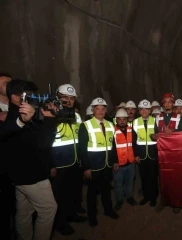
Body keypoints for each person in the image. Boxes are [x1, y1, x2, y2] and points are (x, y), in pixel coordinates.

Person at [2, 79, 58, 240]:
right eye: (29, 95)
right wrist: (49, 119)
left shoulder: (15, 116)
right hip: (32, 176)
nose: (34, 99)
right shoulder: (20, 118)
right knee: (48, 209)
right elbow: (42, 144)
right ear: (15, 97)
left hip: (18, 177)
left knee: (24, 212)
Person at [51, 84, 87, 235]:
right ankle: (60, 223)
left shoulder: (77, 116)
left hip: (74, 161)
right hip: (58, 163)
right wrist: (51, 165)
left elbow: (79, 139)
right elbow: (46, 142)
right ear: (57, 97)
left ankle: (72, 215)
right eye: (65, 97)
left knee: (72, 191)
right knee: (58, 195)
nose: (69, 101)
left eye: (72, 98)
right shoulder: (50, 114)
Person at [78, 97, 119, 227]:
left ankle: (108, 210)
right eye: (97, 109)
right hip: (93, 166)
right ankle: (92, 216)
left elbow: (113, 145)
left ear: (106, 110)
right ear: (92, 110)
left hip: (107, 164)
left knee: (106, 190)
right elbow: (82, 148)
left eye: (102, 109)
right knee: (92, 193)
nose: (100, 111)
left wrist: (115, 160)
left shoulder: (110, 124)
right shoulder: (86, 125)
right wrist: (86, 167)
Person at [112, 108, 137, 210]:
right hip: (119, 164)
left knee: (129, 182)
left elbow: (135, 145)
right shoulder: (113, 131)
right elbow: (111, 148)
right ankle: (119, 200)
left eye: (124, 119)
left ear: (127, 120)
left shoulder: (131, 130)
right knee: (118, 184)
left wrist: (136, 155)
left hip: (130, 162)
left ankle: (129, 197)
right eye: (119, 119)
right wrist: (114, 161)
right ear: (116, 120)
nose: (122, 121)